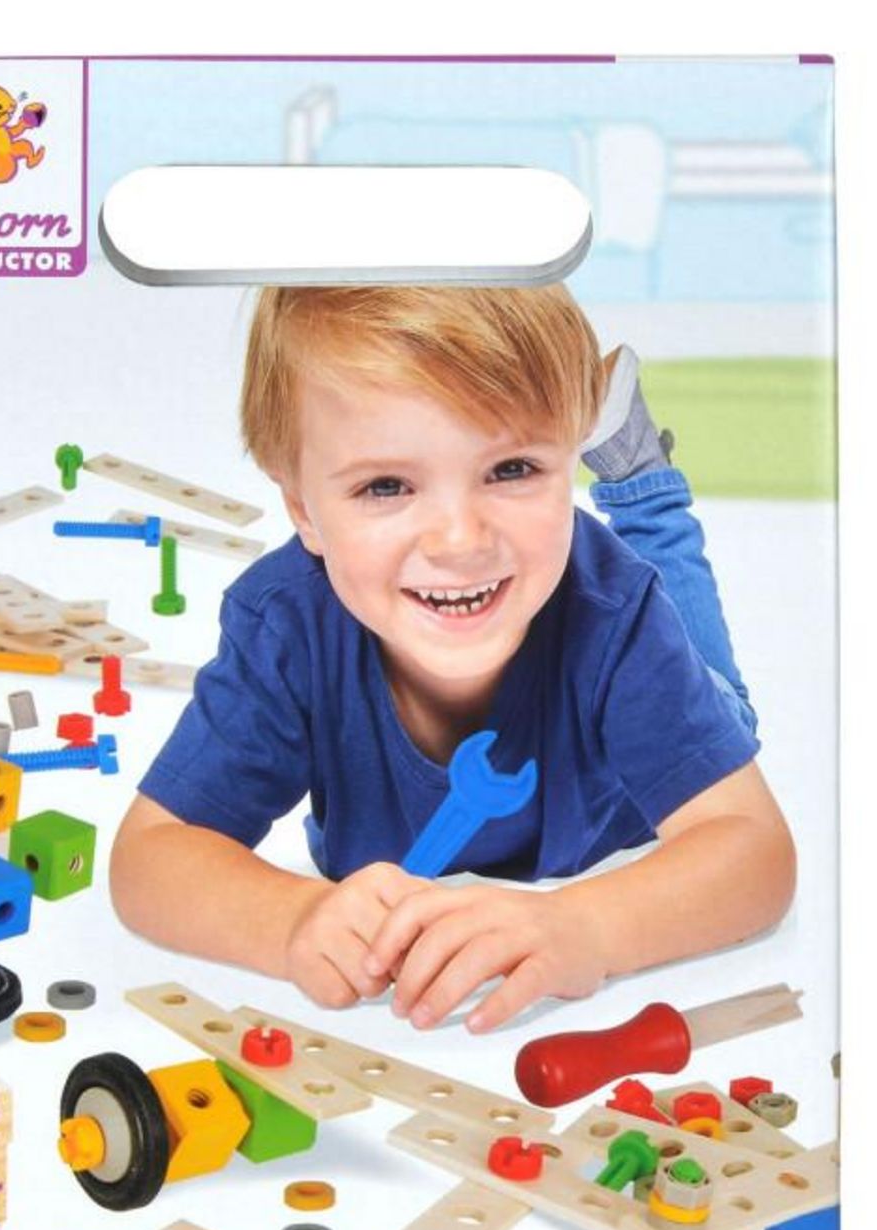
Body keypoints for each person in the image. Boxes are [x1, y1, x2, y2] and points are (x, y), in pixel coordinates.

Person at [110, 286, 795, 1032]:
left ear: (565, 458)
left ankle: (637, 480)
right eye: (386, 486)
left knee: (709, 669)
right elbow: (150, 857)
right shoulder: (286, 625)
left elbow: (755, 851)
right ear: (304, 509)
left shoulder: (613, 611)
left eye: (513, 469)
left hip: (652, 722)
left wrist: (587, 927)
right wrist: (291, 918)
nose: (460, 541)